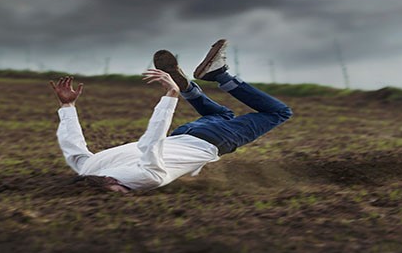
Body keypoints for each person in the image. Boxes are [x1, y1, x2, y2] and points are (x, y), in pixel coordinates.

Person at [50, 39, 292, 192]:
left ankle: (219, 75)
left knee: (278, 112)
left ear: (112, 184)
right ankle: (191, 89)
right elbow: (74, 149)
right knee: (223, 114)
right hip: (184, 134)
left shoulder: (146, 179)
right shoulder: (86, 168)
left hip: (211, 140)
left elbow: (152, 142)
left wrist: (170, 96)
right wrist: (67, 107)